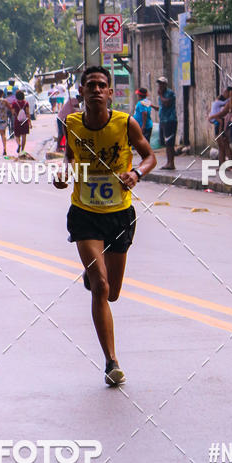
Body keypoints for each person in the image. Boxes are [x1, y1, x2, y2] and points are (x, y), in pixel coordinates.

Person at [53, 65, 157, 387]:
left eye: (102, 85)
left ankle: (93, 273)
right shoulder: (71, 123)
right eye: (91, 85)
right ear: (81, 92)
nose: (96, 90)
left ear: (110, 92)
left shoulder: (126, 123)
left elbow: (150, 156)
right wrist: (64, 173)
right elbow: (70, 156)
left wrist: (137, 173)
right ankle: (111, 362)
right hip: (85, 212)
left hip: (119, 214)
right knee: (100, 286)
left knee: (112, 293)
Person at [152, 77, 177, 170]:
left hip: (170, 121)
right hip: (163, 121)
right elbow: (162, 107)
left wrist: (161, 95)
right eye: (159, 84)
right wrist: (152, 106)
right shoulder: (161, 95)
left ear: (165, 84)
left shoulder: (169, 93)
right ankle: (168, 162)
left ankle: (171, 163)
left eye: (162, 84)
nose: (160, 86)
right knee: (166, 143)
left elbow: (167, 103)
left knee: (170, 143)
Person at [208, 91, 232, 164]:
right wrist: (230, 97)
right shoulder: (220, 103)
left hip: (215, 119)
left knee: (223, 146)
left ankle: (225, 163)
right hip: (217, 119)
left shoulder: (215, 103)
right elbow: (224, 103)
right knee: (223, 146)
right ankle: (220, 132)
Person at [11, 89, 31, 155]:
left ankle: (19, 144)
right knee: (24, 135)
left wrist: (16, 114)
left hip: (17, 121)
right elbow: (28, 113)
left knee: (17, 135)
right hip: (25, 121)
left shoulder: (14, 103)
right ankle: (22, 149)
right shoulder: (26, 103)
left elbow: (13, 112)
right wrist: (29, 123)